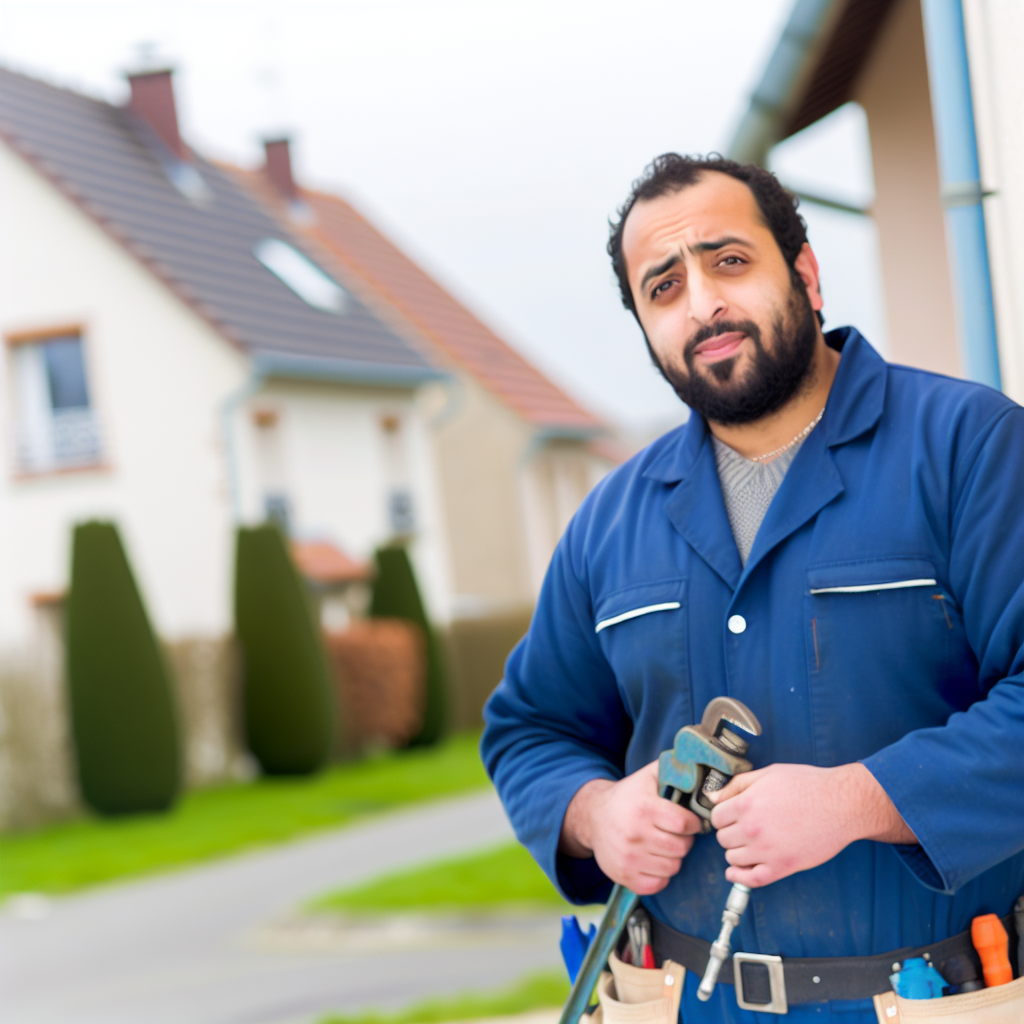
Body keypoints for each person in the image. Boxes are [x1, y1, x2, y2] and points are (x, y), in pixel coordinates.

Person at [480, 155, 1024, 1023]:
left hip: (933, 999)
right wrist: (596, 813)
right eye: (663, 287)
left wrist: (863, 799)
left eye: (728, 261)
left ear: (805, 275)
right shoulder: (609, 521)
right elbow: (531, 730)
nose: (701, 304)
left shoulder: (970, 447)